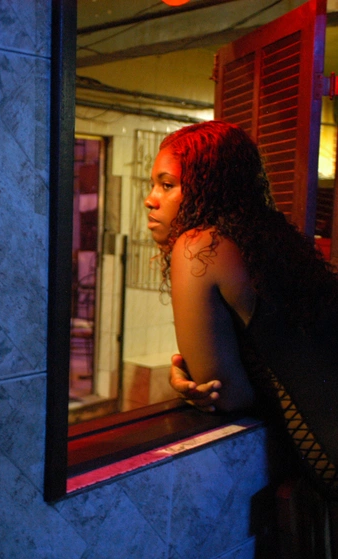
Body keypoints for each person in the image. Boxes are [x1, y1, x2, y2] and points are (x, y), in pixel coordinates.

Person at [144, 120, 338, 506]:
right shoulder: (270, 237)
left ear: (207, 188)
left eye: (167, 185)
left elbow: (227, 394)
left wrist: (193, 382)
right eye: (153, 185)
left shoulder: (198, 246)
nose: (151, 199)